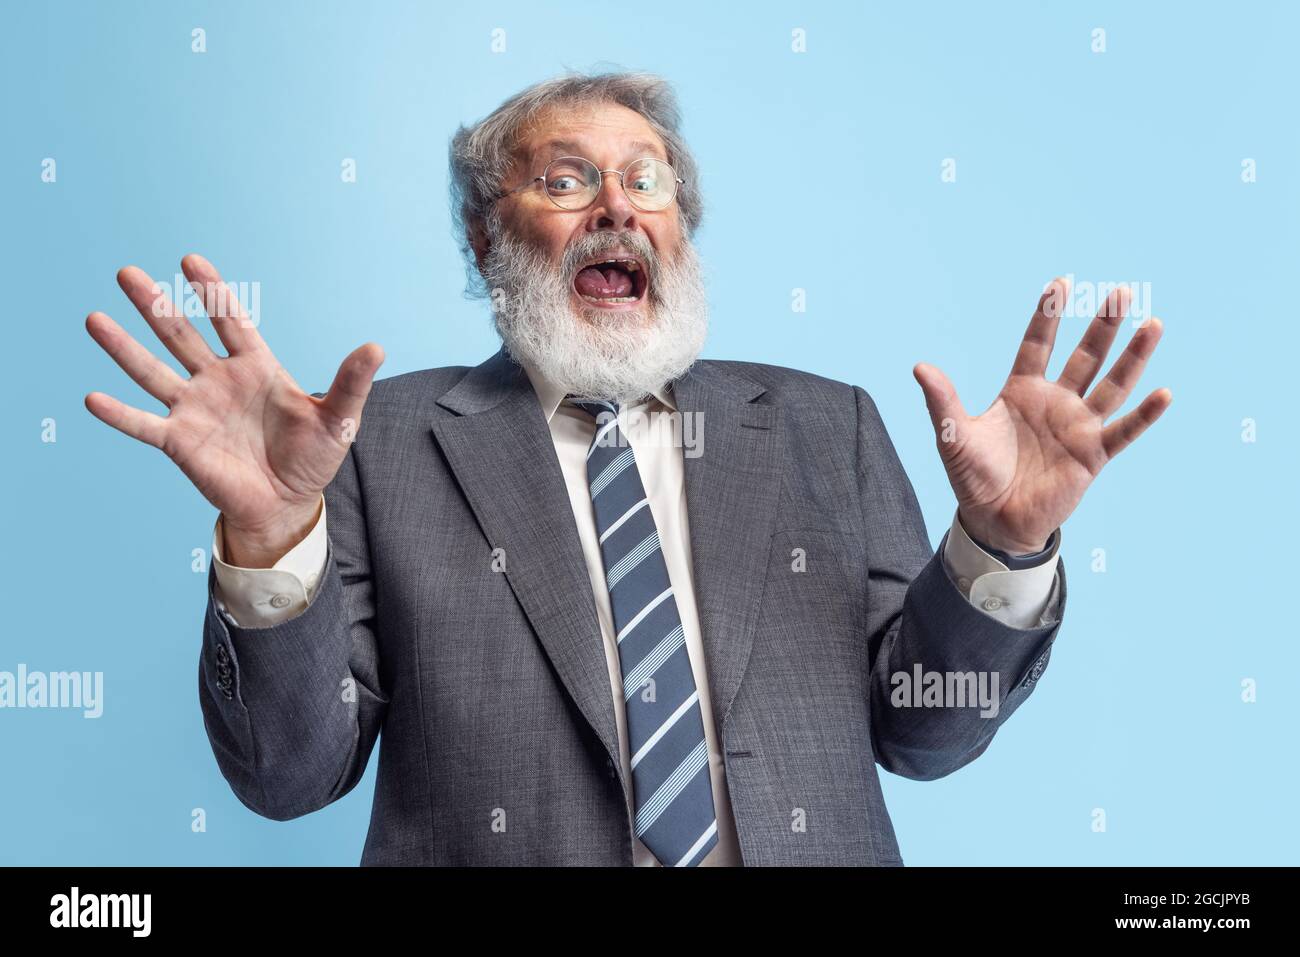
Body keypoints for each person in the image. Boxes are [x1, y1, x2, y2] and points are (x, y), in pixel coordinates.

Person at [83, 71, 1170, 866]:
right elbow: (287, 778)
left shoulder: (822, 426)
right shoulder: (378, 445)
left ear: (679, 229)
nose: (617, 206)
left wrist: (1000, 545)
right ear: (482, 237)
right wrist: (273, 537)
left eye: (645, 181)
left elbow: (919, 734)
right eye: (567, 180)